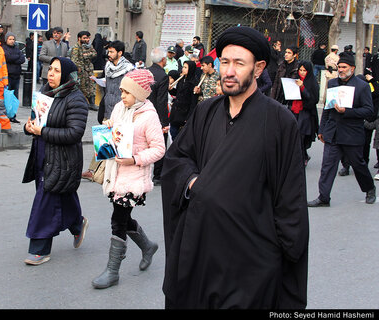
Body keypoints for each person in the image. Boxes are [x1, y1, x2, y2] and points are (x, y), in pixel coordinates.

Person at [161, 26, 309, 309]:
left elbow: (290, 201)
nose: (228, 71)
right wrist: (195, 183)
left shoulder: (279, 122)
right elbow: (177, 159)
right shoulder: (206, 111)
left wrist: (283, 258)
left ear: (258, 68)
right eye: (224, 62)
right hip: (201, 250)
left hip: (250, 261)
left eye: (239, 63)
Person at [91, 68, 165, 289]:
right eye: (122, 91)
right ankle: (148, 246)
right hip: (115, 173)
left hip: (133, 178)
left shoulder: (149, 116)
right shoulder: (119, 108)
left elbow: (159, 149)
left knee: (118, 221)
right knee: (123, 217)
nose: (122, 95)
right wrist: (108, 131)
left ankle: (112, 271)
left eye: (126, 92)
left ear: (140, 93)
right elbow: (112, 131)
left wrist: (134, 159)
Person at [22, 57, 89, 265]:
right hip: (43, 153)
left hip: (63, 158)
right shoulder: (44, 94)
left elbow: (74, 133)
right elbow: (36, 121)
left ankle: (39, 248)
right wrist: (30, 127)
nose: (51, 73)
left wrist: (43, 131)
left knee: (45, 198)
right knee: (61, 193)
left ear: (67, 75)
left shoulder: (76, 99)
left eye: (57, 71)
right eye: (50, 69)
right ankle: (77, 224)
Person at [308, 53, 376, 207]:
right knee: (327, 167)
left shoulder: (362, 86)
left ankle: (370, 189)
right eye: (339, 67)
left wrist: (347, 111)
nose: (341, 70)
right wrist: (322, 129)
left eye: (344, 67)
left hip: (352, 134)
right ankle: (323, 197)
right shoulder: (332, 84)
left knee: (358, 165)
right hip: (333, 133)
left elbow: (369, 110)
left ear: (352, 68)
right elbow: (327, 107)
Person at [81, 40, 134, 181]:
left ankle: (111, 172)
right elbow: (107, 83)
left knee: (118, 142)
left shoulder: (129, 69)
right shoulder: (108, 66)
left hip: (122, 111)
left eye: (111, 52)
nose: (108, 54)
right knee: (102, 140)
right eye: (108, 51)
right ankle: (93, 170)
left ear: (120, 53)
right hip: (107, 109)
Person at [148, 47, 169, 185]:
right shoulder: (163, 76)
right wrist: (164, 122)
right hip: (156, 114)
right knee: (160, 145)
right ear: (163, 59)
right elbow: (162, 101)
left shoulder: (145, 72)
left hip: (143, 111)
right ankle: (157, 175)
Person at [291, 61, 319, 165]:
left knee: (301, 136)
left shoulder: (312, 82)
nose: (302, 73)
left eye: (304, 70)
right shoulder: (295, 80)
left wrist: (302, 87)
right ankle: (303, 156)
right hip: (294, 110)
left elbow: (313, 99)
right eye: (300, 70)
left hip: (306, 113)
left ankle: (302, 157)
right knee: (295, 136)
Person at [168, 60, 197, 140]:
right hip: (176, 112)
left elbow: (193, 102)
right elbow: (177, 93)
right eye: (183, 67)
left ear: (190, 69)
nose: (183, 69)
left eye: (185, 67)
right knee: (173, 133)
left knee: (181, 137)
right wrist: (170, 89)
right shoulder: (181, 79)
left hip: (184, 113)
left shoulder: (193, 83)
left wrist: (188, 117)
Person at [70, 31, 98, 111]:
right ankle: (81, 104)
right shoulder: (76, 47)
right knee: (82, 88)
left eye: (88, 38)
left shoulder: (89, 46)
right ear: (79, 38)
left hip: (89, 70)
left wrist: (85, 55)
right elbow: (75, 60)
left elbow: (94, 53)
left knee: (92, 86)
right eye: (85, 38)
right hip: (81, 71)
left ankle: (92, 103)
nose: (87, 39)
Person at [2, 31, 25, 123]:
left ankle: (13, 115)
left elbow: (22, 59)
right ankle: (6, 116)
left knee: (15, 97)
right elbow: (8, 57)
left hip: (16, 76)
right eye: (10, 39)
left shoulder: (17, 49)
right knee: (7, 97)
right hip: (8, 76)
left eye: (13, 39)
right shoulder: (3, 49)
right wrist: (15, 58)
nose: (12, 41)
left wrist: (14, 58)